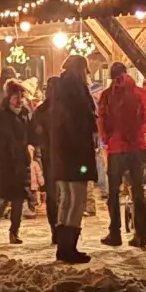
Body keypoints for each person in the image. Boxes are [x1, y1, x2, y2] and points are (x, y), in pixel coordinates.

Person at [97, 62, 146, 247]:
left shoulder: (106, 95)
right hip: (138, 147)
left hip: (116, 149)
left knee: (114, 192)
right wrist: (142, 133)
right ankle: (141, 234)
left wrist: (108, 139)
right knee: (138, 190)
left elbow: (101, 121)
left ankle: (115, 233)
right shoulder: (141, 94)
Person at [49, 54, 97, 263]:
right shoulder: (77, 91)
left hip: (60, 153)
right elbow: (82, 121)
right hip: (77, 153)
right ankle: (70, 248)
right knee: (78, 199)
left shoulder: (57, 90)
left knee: (66, 199)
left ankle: (63, 247)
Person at [0, 80, 33, 245]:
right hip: (3, 160)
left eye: (22, 96)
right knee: (3, 198)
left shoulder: (26, 114)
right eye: (16, 96)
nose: (19, 99)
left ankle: (14, 232)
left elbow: (30, 135)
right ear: (9, 97)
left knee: (19, 199)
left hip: (20, 161)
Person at [30, 76, 62, 244]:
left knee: (52, 195)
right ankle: (64, 229)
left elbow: (33, 136)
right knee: (66, 194)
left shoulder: (41, 111)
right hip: (64, 156)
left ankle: (55, 230)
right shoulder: (66, 109)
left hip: (48, 158)